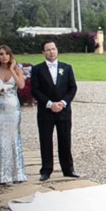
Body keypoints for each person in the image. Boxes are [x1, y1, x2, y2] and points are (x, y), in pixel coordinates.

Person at [30, 41, 79, 181]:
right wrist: (49, 104)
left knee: (65, 140)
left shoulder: (67, 68)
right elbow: (35, 90)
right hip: (46, 111)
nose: (51, 52)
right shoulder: (38, 69)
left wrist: (63, 103)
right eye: (48, 50)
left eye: (53, 49)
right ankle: (46, 170)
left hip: (63, 111)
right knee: (46, 141)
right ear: (43, 52)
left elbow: (72, 88)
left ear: (57, 50)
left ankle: (68, 169)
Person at [0, 44, 28, 186]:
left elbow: (21, 85)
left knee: (13, 138)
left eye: (6, 54)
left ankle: (16, 173)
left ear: (10, 55)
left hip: (12, 108)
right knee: (0, 140)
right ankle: (1, 175)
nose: (4, 56)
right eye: (1, 54)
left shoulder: (17, 69)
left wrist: (11, 69)